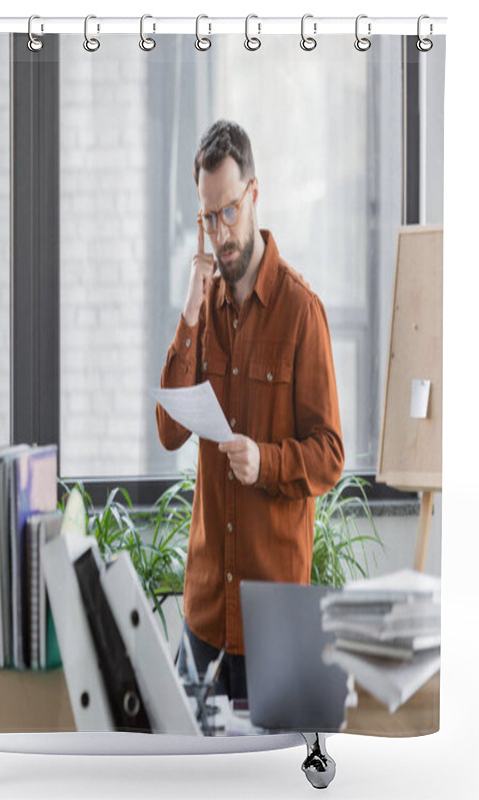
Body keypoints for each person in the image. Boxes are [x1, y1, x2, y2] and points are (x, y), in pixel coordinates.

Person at [156, 119, 344, 701]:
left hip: (274, 614)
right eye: (208, 219)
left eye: (230, 212)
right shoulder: (203, 310)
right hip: (206, 611)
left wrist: (265, 462)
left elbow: (330, 456)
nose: (221, 233)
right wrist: (189, 311)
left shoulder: (300, 311)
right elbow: (167, 431)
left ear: (254, 195)